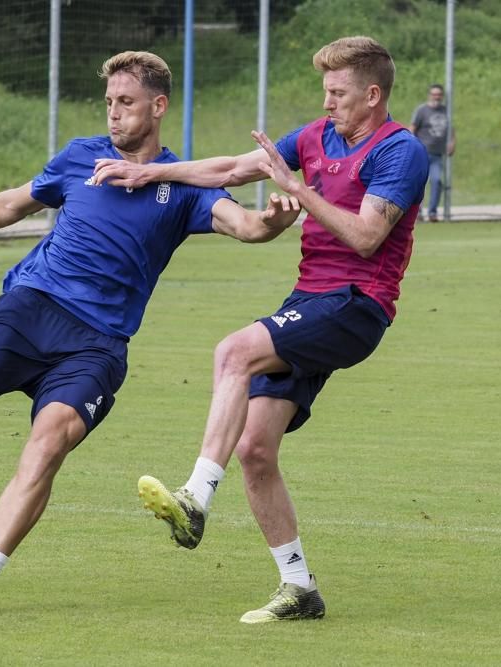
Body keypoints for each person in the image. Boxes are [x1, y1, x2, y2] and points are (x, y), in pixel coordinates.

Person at [0, 51, 300, 621]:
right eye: (108, 104)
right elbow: (14, 202)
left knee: (48, 444)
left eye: (125, 103)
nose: (114, 116)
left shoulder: (183, 185)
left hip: (96, 346)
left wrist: (277, 217)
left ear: (158, 106)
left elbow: (247, 226)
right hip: (28, 310)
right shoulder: (80, 156)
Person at [92, 35, 428, 623]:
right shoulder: (315, 137)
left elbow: (368, 236)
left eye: (339, 93)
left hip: (356, 303)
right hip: (309, 300)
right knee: (255, 448)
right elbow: (230, 168)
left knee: (234, 351)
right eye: (325, 92)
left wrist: (298, 190)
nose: (327, 103)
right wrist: (149, 173)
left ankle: (195, 496)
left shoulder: (400, 152)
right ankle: (299, 588)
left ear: (373, 96)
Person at [408, 83, 455, 222]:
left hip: (437, 154)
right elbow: (412, 128)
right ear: (430, 95)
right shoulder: (422, 110)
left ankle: (432, 212)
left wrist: (452, 142)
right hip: (422, 153)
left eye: (439, 94)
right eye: (434, 94)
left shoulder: (446, 111)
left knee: (436, 181)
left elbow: (451, 128)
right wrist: (411, 148)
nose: (437, 97)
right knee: (419, 183)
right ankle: (417, 212)